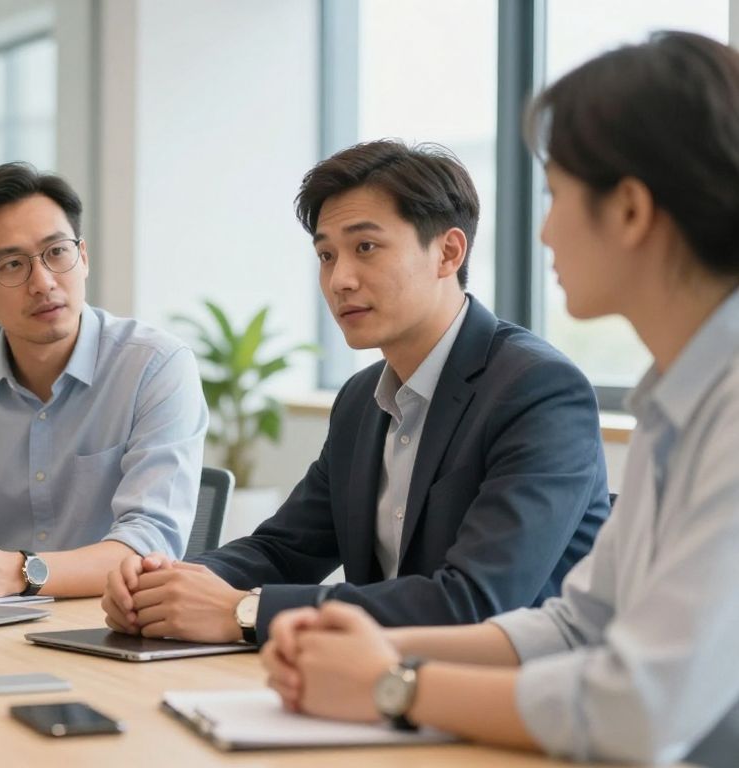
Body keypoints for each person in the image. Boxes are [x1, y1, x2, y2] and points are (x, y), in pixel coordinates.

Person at [262, 31, 739, 767]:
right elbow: (578, 626)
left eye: (555, 195)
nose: (543, 230)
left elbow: (640, 706)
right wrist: (355, 646)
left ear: (631, 210)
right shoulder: (672, 400)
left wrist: (394, 684)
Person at [103, 140, 610, 643]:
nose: (339, 279)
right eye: (326, 255)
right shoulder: (360, 399)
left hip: (506, 686)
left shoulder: (538, 389)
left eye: (365, 247)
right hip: (373, 677)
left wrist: (246, 610)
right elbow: (284, 550)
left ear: (448, 252)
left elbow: (476, 601)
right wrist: (164, 583)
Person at [0, 162, 208, 598]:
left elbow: (150, 543)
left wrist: (18, 573)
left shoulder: (156, 367)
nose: (43, 282)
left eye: (57, 252)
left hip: (107, 619)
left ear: (83, 257)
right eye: (12, 264)